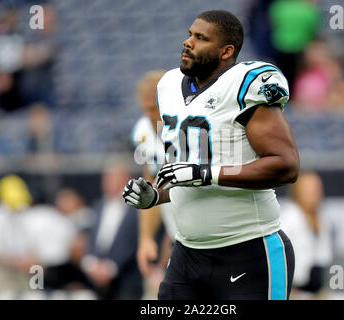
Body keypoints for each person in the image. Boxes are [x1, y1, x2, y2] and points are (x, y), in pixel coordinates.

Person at [123, 10, 299, 300]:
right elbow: (179, 170)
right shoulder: (167, 86)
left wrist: (208, 173)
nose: (187, 42)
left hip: (249, 251)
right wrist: (155, 194)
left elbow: (286, 166)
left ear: (226, 51)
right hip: (187, 255)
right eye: (190, 34)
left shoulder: (245, 85)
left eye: (200, 38)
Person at [132, 70, 177, 299]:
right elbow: (150, 188)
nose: (150, 115)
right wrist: (146, 238)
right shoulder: (144, 131)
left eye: (155, 108)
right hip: (180, 236)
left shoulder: (188, 131)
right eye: (146, 108)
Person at [82, 162, 142, 299]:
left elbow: (134, 242)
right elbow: (92, 237)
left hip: (127, 280)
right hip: (97, 280)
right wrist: (91, 264)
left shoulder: (138, 208)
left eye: (111, 178)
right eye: (106, 178)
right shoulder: (99, 206)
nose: (106, 182)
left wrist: (112, 268)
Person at [280, 171, 332, 299]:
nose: (315, 192)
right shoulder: (289, 217)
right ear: (297, 191)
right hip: (293, 291)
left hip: (314, 292)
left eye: (317, 188)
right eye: (309, 188)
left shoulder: (321, 218)